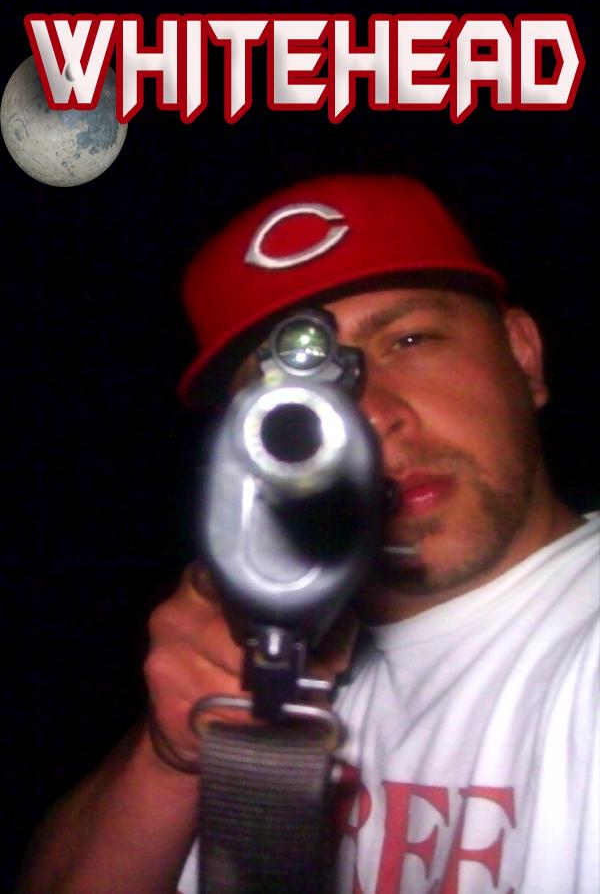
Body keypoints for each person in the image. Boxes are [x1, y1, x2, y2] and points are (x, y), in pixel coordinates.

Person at [17, 175, 598, 894]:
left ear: (523, 352)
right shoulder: (270, 666)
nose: (370, 415)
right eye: (290, 392)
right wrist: (170, 754)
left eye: (410, 339)